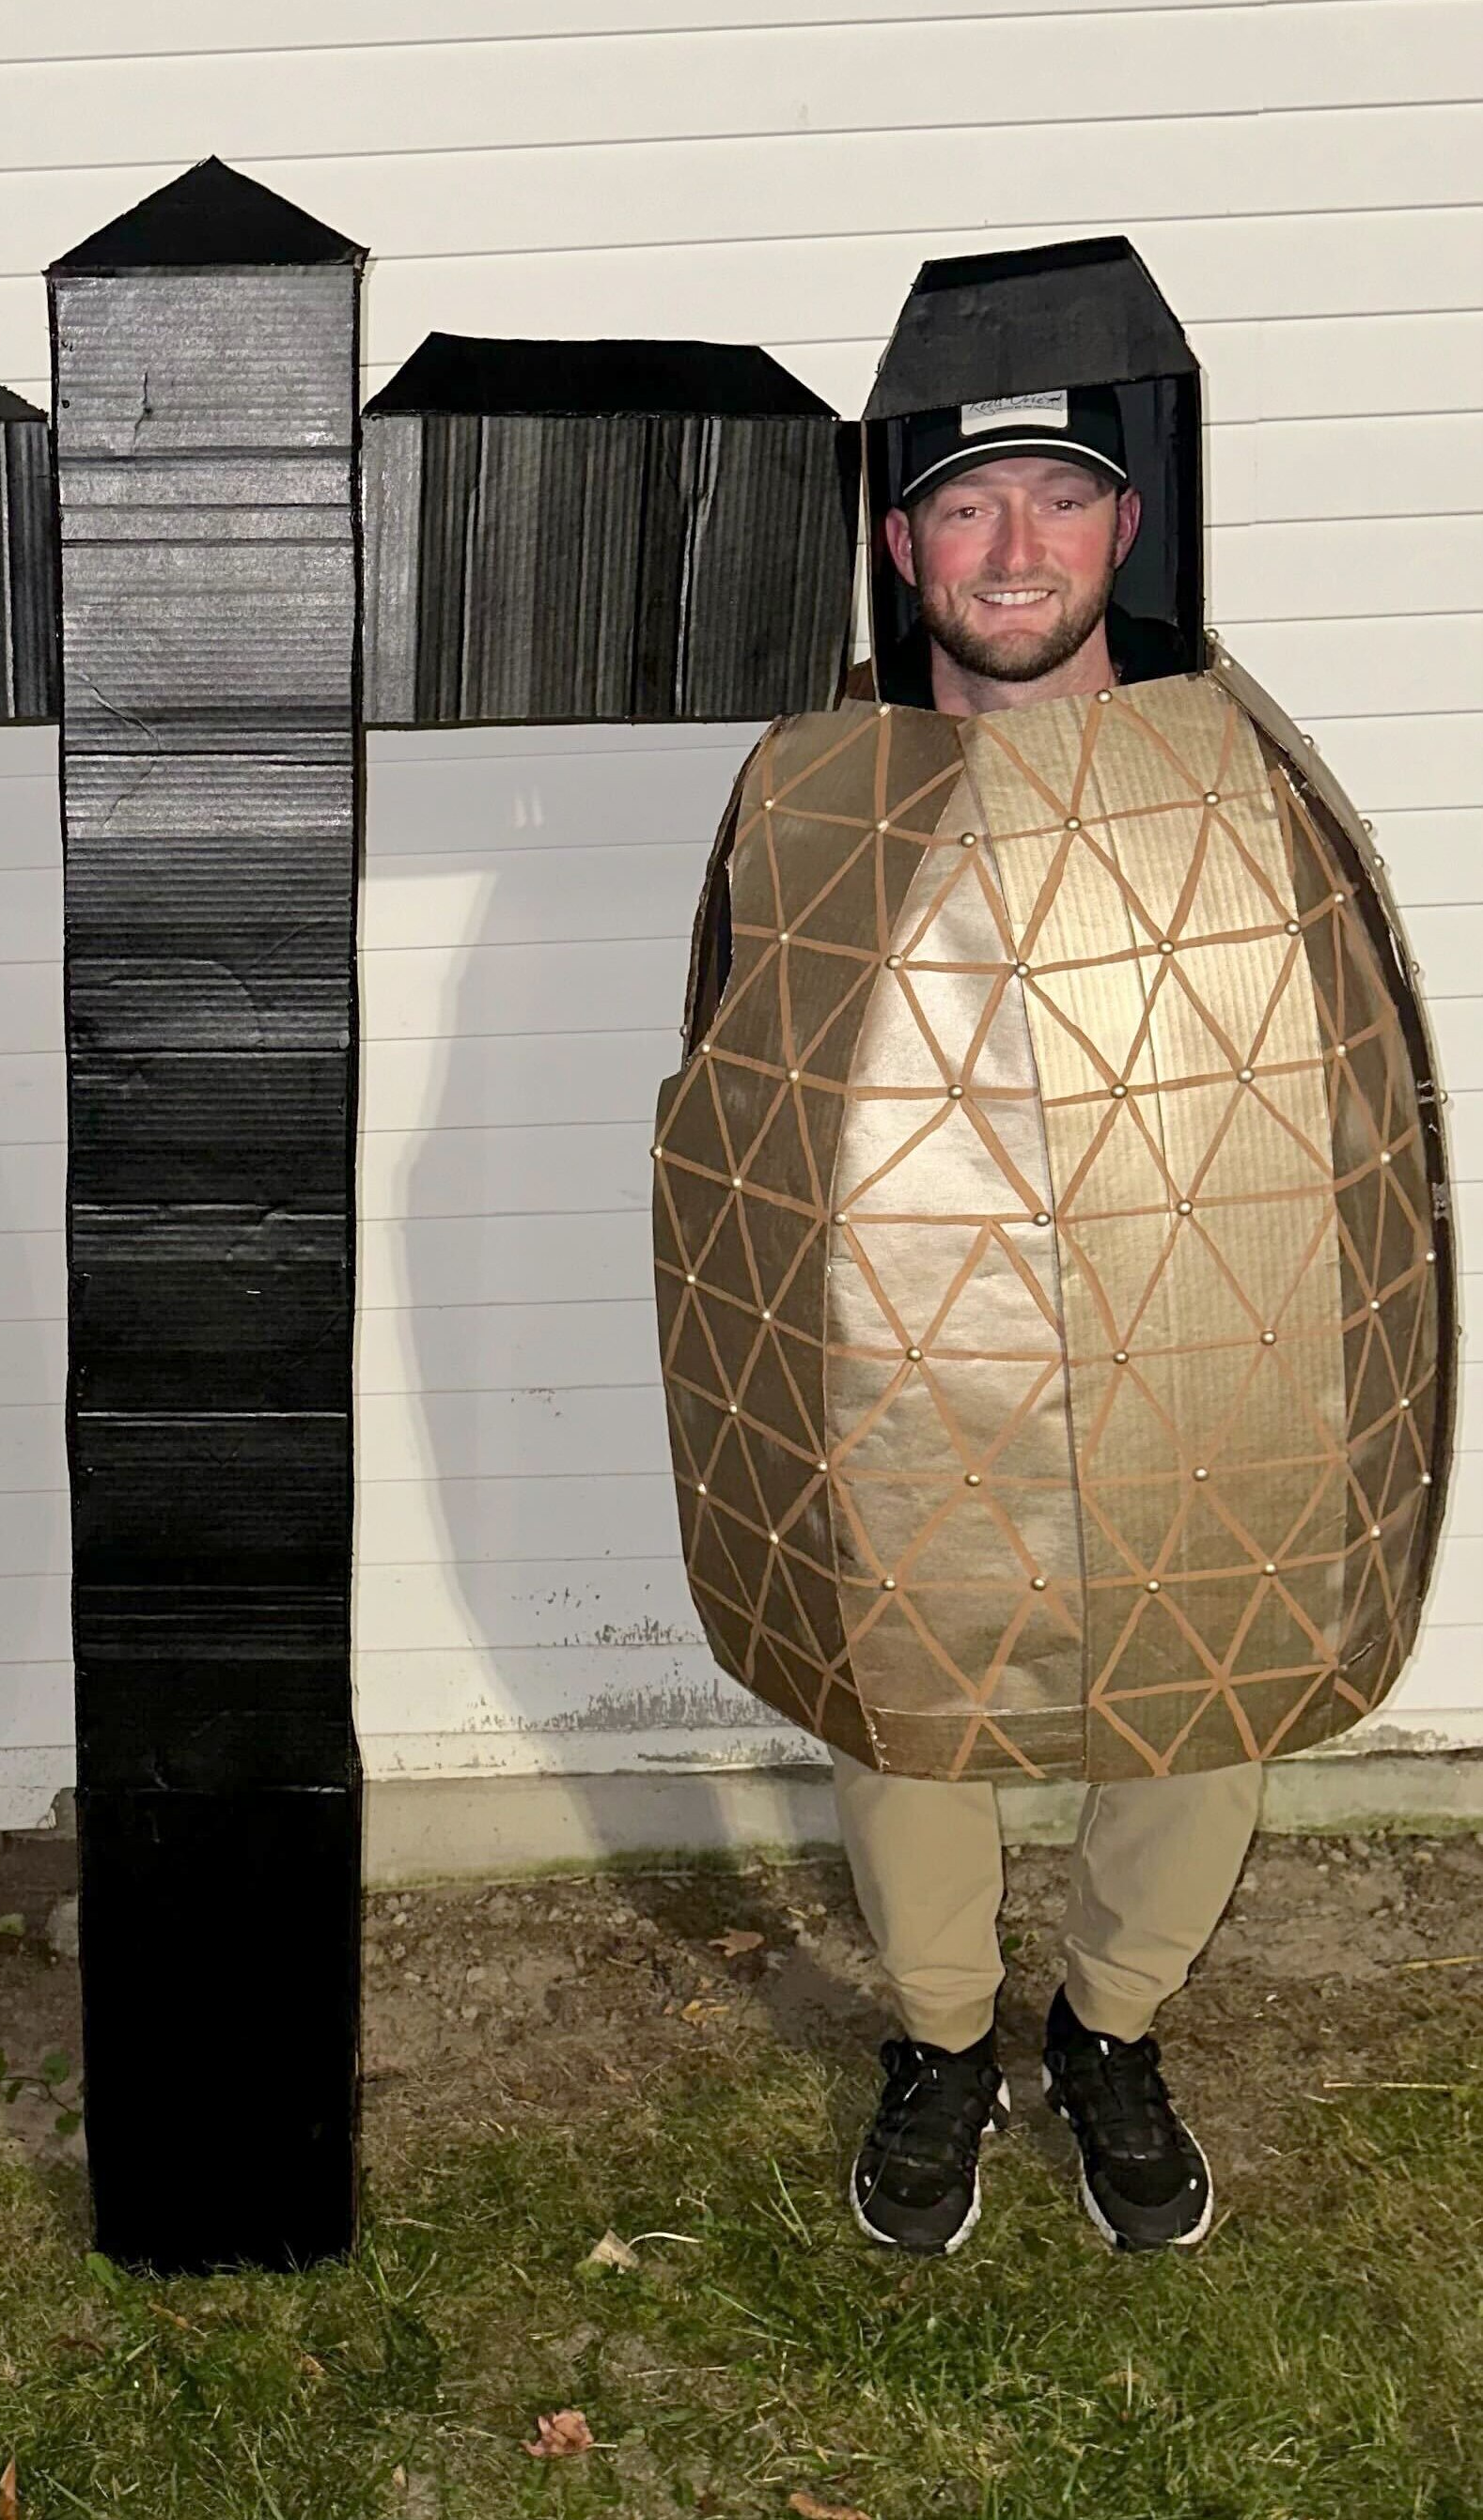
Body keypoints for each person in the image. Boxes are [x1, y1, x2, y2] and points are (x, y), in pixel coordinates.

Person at [842, 386, 1257, 2258]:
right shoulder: (822, 794)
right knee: (903, 1685)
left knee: (1203, 1671)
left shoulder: (1233, 769)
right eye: (965, 508)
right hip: (913, 1320)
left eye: (1056, 501)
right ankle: (941, 2041)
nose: (1013, 548)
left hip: (1180, 1299)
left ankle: (1110, 2025)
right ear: (901, 545)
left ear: (1126, 528)